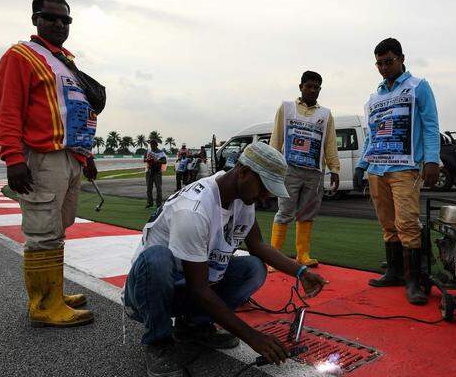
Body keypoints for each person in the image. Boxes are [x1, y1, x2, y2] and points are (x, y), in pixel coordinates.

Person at [123, 142, 327, 376]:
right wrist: (253, 336)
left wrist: (301, 272)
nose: (266, 196)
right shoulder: (195, 209)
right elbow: (199, 289)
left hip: (186, 286)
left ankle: (193, 325)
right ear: (243, 172)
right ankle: (158, 341)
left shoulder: (242, 198)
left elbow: (257, 245)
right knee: (157, 258)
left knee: (254, 268)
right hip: (146, 294)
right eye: (263, 187)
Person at [0, 0, 102, 327]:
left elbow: (75, 113)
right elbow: (9, 110)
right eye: (50, 17)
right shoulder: (22, 55)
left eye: (64, 20)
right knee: (43, 230)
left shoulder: (65, 60)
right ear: (35, 19)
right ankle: (44, 305)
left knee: (58, 227)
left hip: (71, 156)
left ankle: (53, 292)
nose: (58, 24)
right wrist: (13, 158)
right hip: (42, 156)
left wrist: (86, 156)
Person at [354, 38, 440, 305]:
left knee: (407, 224)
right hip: (377, 168)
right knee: (388, 225)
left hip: (405, 168)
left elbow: (430, 125)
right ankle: (393, 271)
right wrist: (361, 165)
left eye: (388, 62)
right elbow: (371, 133)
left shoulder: (418, 87)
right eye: (379, 63)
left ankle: (413, 280)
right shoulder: (375, 96)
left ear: (402, 58)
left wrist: (432, 160)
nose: (383, 68)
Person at [269, 71, 340, 268]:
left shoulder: (325, 114)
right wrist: (272, 164)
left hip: (314, 172)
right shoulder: (287, 108)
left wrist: (334, 168)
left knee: (308, 213)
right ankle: (274, 257)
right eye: (309, 86)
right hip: (289, 169)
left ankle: (303, 255)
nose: (312, 90)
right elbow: (276, 138)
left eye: (316, 87)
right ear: (300, 87)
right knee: (285, 211)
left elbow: (330, 143)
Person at [145, 139, 167, 208]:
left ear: (156, 145)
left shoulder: (161, 152)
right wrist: (148, 160)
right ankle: (150, 203)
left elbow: (164, 161)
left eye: (153, 144)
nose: (152, 146)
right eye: (151, 144)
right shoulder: (148, 151)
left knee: (158, 188)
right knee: (149, 188)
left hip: (157, 172)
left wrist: (156, 161)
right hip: (149, 171)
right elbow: (144, 159)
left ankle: (159, 204)